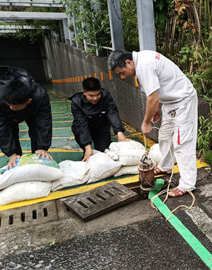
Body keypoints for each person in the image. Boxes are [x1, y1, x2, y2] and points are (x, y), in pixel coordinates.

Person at [108, 50, 198, 197]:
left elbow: (152, 98)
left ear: (128, 62)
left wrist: (146, 122)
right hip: (169, 103)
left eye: (122, 72)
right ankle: (166, 166)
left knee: (182, 142)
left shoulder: (145, 65)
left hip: (183, 101)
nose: (124, 76)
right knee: (165, 137)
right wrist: (155, 109)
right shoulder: (141, 63)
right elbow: (154, 94)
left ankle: (187, 184)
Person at [0, 65, 53, 169]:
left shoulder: (39, 95)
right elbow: (1, 127)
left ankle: (38, 158)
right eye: (9, 105)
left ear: (29, 101)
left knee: (36, 131)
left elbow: (44, 122)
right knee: (11, 132)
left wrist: (42, 147)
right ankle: (16, 161)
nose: (11, 107)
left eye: (15, 106)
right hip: (5, 113)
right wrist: (11, 154)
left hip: (32, 111)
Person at [70, 77, 128, 161]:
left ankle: (107, 144)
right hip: (85, 127)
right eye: (91, 95)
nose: (95, 98)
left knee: (103, 151)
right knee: (78, 130)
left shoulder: (106, 96)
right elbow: (81, 123)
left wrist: (119, 131)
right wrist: (87, 145)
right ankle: (87, 151)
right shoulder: (77, 101)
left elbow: (112, 112)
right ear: (84, 93)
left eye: (98, 94)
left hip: (101, 126)